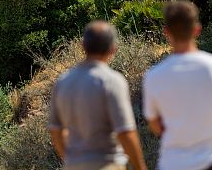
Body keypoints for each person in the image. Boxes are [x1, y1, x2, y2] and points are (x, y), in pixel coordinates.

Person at [142, 0, 212, 170]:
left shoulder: (154, 76)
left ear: (166, 32)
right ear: (197, 29)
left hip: (175, 162)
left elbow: (154, 123)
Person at [49, 21, 148, 170]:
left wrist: (71, 159)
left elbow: (55, 130)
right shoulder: (112, 81)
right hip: (106, 163)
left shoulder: (62, 82)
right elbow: (125, 132)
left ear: (83, 46)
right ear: (113, 49)